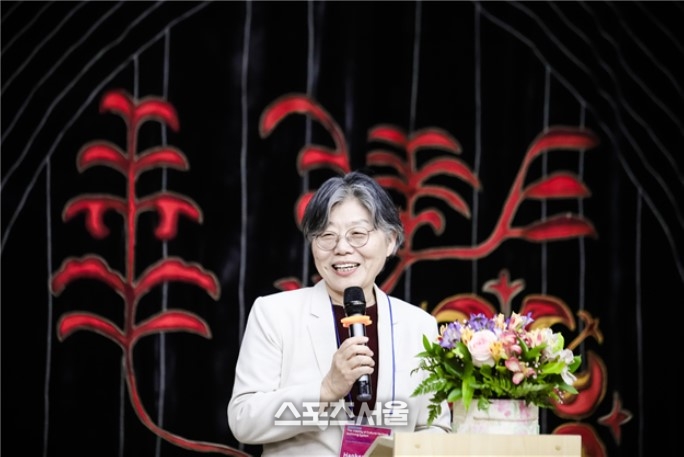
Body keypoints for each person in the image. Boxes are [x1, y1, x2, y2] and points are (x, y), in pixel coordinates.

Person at [228, 171, 451, 456]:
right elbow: (244, 419)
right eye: (327, 235)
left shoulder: (419, 326)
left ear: (390, 240)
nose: (342, 248)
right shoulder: (275, 314)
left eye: (357, 234)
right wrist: (325, 390)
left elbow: (435, 427)